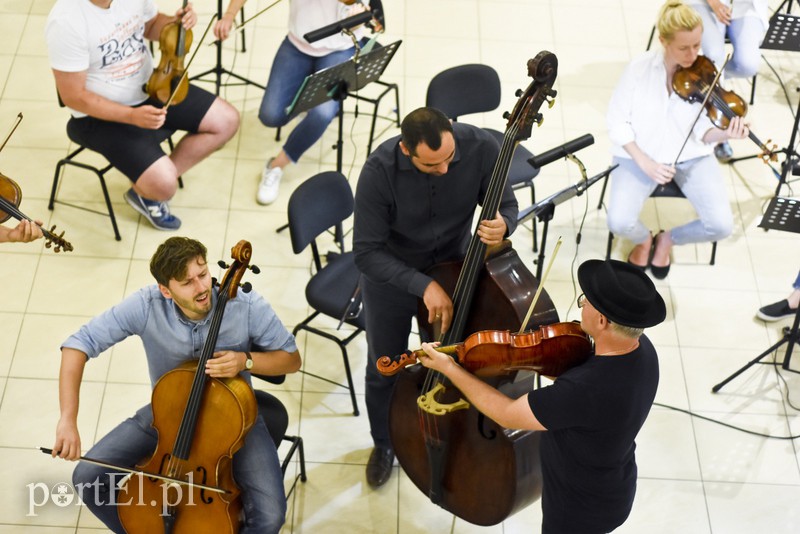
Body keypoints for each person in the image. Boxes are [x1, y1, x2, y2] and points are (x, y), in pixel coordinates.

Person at [51, 237, 301, 533]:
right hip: (167, 414)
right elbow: (78, 344)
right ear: (165, 290)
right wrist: (67, 419)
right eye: (187, 282)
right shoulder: (146, 304)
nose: (203, 288)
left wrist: (245, 360)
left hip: (238, 419)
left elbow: (291, 360)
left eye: (204, 274)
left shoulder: (245, 304)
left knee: (270, 516)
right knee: (87, 477)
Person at [418, 258, 667, 533]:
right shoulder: (643, 349)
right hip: (615, 483)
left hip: (577, 507)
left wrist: (450, 369)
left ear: (602, 321)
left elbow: (509, 415)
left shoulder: (583, 390)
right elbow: (584, 390)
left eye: (585, 301)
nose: (581, 304)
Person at [353, 106, 518, 488]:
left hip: (454, 267)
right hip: (392, 280)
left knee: (456, 361)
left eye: (448, 159)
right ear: (405, 150)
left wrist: (504, 223)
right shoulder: (378, 172)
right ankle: (384, 444)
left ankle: (451, 434)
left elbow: (506, 204)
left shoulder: (480, 145)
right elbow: (366, 252)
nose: (444, 170)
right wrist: (423, 286)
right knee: (385, 367)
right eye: (432, 165)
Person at [45, 0, 240, 231]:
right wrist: (132, 116)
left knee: (227, 120)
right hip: (98, 117)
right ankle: (152, 189)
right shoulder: (66, 21)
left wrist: (176, 24)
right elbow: (74, 97)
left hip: (154, 85)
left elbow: (150, 25)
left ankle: (149, 184)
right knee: (165, 187)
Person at [606, 0, 748, 280]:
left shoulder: (706, 70)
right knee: (619, 222)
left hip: (692, 156)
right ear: (663, 40)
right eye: (684, 48)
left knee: (721, 225)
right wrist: (645, 162)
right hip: (639, 154)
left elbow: (705, 132)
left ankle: (668, 239)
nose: (694, 54)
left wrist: (725, 133)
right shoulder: (639, 69)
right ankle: (645, 239)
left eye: (697, 44)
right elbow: (616, 121)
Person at [213, 0, 381, 205]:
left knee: (322, 114)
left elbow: (361, 15)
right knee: (270, 115)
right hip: (297, 45)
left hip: (338, 50)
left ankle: (276, 166)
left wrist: (354, 21)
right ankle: (310, 95)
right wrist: (230, 15)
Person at [686, 0, 769, 161]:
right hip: (703, 2)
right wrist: (715, 4)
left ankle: (712, 81)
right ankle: (717, 132)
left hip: (746, 5)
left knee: (748, 64)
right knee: (714, 56)